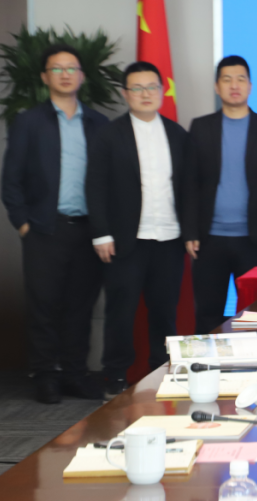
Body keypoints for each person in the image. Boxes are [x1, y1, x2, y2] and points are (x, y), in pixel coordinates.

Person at [0, 44, 109, 403]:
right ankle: (46, 375)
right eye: (57, 68)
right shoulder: (29, 121)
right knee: (44, 306)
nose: (65, 74)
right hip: (44, 230)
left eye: (71, 68)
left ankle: (75, 373)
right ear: (45, 77)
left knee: (80, 306)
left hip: (88, 230)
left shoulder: (98, 123)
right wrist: (23, 224)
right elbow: (11, 180)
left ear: (82, 76)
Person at [86, 61, 188, 398]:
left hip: (170, 239)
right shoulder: (109, 134)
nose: (146, 94)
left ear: (162, 91)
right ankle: (115, 375)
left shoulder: (177, 134)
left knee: (164, 312)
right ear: (125, 93)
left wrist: (191, 232)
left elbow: (188, 189)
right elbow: (95, 185)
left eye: (152, 87)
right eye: (137, 88)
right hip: (125, 240)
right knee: (121, 311)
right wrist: (101, 233)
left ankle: (161, 371)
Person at [183, 56, 257, 333]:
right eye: (227, 79)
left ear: (250, 86)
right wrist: (190, 231)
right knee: (208, 313)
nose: (234, 85)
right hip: (209, 239)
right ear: (217, 87)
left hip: (253, 239)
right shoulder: (201, 127)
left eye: (241, 79)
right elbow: (190, 183)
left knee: (255, 316)